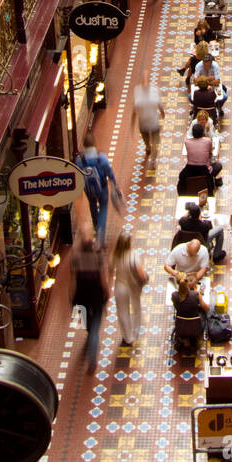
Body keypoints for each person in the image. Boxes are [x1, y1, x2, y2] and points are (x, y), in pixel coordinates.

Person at [71, 233, 111, 373]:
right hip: (96, 297)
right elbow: (103, 280)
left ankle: (89, 332)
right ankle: (92, 360)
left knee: (86, 324)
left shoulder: (76, 260)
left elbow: (73, 282)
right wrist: (107, 293)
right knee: (95, 329)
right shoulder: (97, 259)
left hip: (81, 296)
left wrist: (72, 298)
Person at [76, 133, 119, 244]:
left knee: (92, 204)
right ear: (94, 143)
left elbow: (77, 175)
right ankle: (101, 232)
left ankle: (96, 225)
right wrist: (114, 183)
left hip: (88, 189)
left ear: (83, 144)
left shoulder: (79, 160)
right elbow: (109, 173)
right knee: (103, 207)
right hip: (102, 188)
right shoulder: (101, 157)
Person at [112, 232, 148, 347]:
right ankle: (136, 329)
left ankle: (128, 337)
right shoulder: (134, 255)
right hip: (133, 285)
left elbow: (109, 270)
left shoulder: (115, 255)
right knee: (136, 307)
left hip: (120, 286)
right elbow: (141, 274)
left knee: (122, 312)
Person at [131, 72, 165, 162]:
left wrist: (132, 123)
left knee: (151, 139)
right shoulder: (153, 90)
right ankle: (150, 152)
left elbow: (134, 110)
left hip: (146, 122)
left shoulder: (138, 90)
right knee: (152, 140)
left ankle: (149, 150)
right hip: (150, 122)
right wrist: (163, 114)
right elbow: (160, 105)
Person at [179, 198, 225, 262]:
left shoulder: (183, 221)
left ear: (190, 214)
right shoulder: (204, 226)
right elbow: (205, 230)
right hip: (202, 242)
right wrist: (199, 216)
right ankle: (216, 255)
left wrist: (189, 212)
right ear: (199, 214)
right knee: (220, 229)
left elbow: (183, 217)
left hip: (188, 241)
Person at [181, 120, 223, 189]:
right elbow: (210, 153)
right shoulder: (208, 141)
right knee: (218, 165)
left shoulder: (187, 142)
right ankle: (216, 181)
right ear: (202, 133)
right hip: (205, 172)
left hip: (190, 170)